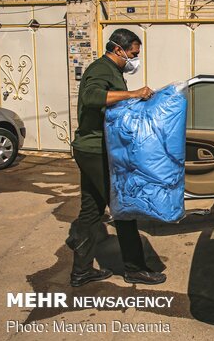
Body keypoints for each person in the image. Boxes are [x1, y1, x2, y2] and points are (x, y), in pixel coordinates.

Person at [66, 28, 166, 287]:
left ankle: (81, 271)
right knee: (123, 207)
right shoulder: (101, 69)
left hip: (92, 148)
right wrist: (133, 94)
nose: (135, 58)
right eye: (133, 53)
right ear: (119, 50)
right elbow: (91, 97)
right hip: (96, 149)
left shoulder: (113, 71)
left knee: (91, 212)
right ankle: (134, 268)